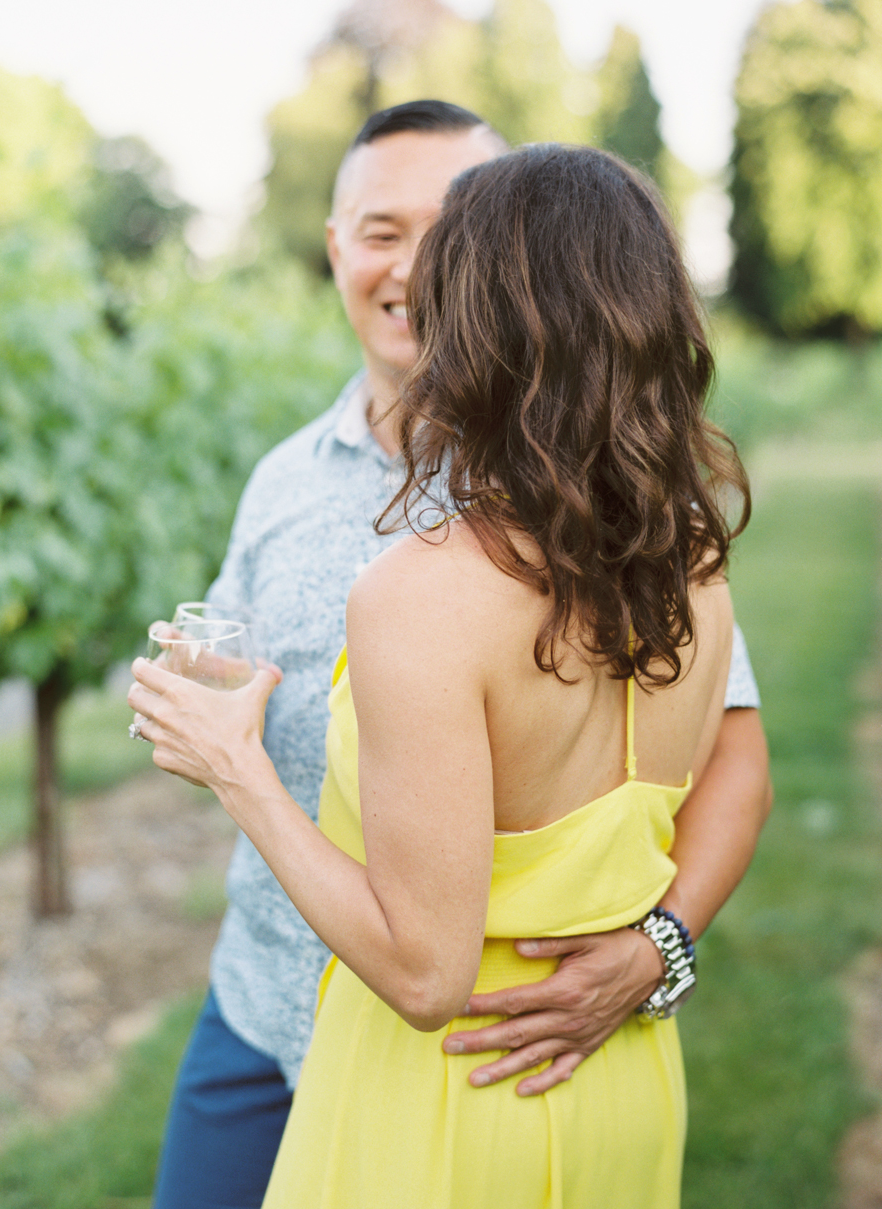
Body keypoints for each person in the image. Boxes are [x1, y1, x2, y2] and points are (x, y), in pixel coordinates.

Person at [144, 103, 770, 1209]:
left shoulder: (420, 591)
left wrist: (229, 762)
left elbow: (427, 974)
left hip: (433, 1077)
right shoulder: (684, 551)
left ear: (480, 311)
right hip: (603, 1085)